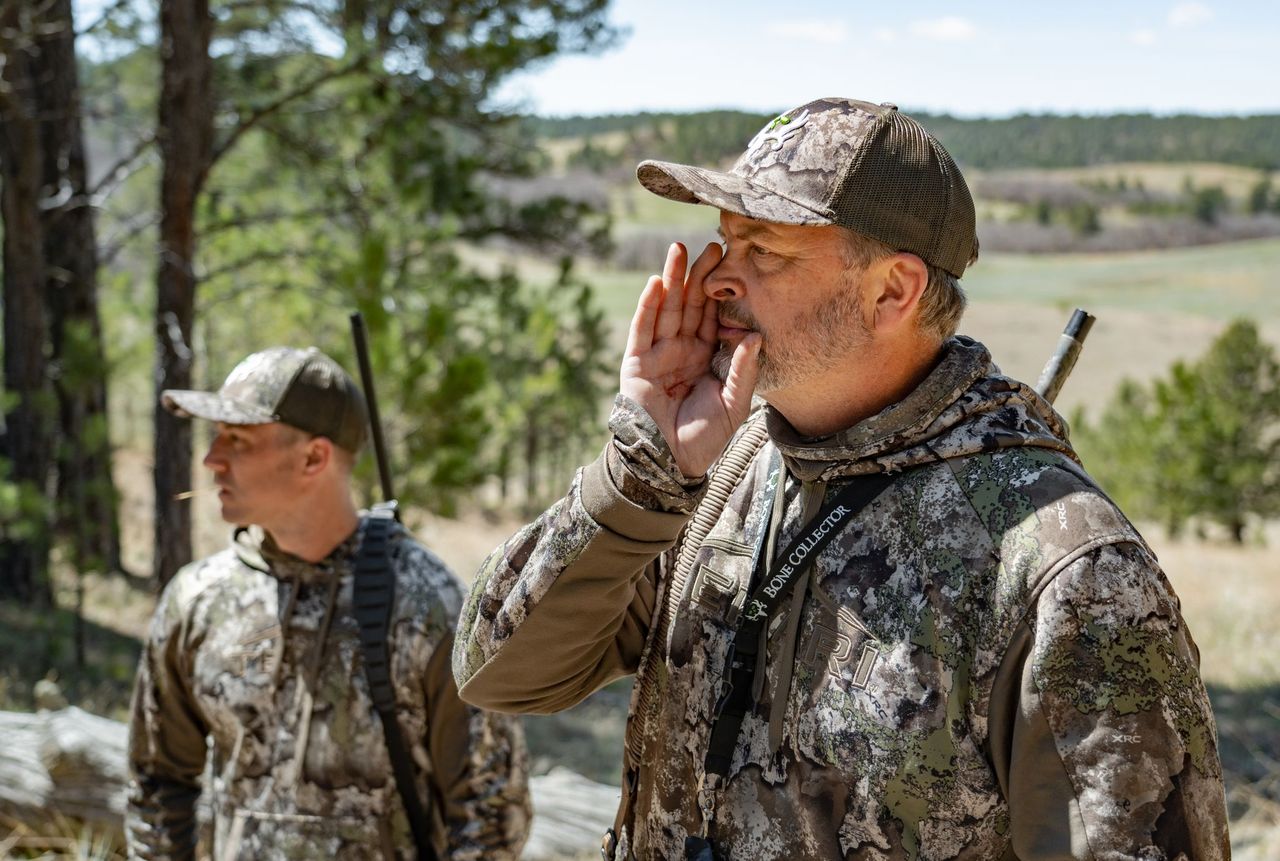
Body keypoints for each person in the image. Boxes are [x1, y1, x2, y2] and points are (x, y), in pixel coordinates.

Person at [452, 98, 1229, 860]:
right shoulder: (722, 476)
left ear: (893, 291)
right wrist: (642, 472)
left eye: (765, 251)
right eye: (724, 243)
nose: (718, 278)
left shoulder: (1064, 568)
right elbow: (498, 674)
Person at [126, 347, 530, 860]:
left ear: (314, 457)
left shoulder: (428, 606)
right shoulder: (197, 601)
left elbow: (491, 812)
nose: (211, 459)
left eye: (237, 439)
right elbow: (157, 781)